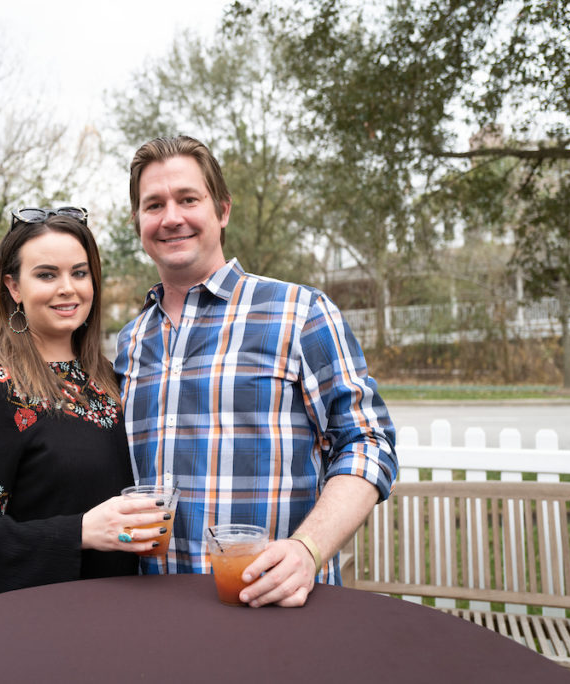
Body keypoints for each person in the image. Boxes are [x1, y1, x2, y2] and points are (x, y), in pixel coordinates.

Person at [115, 137, 399, 608]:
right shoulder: (129, 343)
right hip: (157, 610)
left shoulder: (299, 313)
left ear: (222, 210)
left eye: (189, 199)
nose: (171, 217)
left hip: (274, 602)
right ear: (138, 222)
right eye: (153, 204)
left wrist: (308, 550)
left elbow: (368, 443)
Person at [0, 207, 168, 598]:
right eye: (47, 274)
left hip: (122, 610)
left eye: (79, 273)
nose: (68, 288)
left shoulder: (112, 379)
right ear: (13, 287)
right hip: (38, 622)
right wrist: (81, 531)